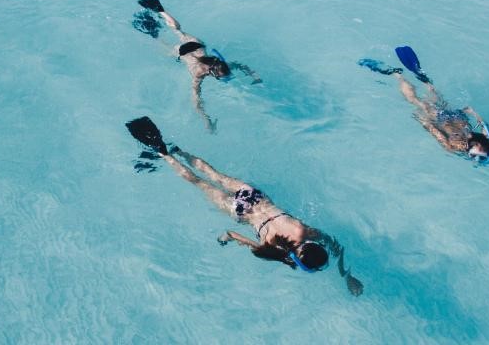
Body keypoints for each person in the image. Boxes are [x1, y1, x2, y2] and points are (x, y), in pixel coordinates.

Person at [125, 116, 364, 296]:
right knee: (197, 182)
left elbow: (335, 246)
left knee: (212, 174)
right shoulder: (272, 248)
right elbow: (231, 235)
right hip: (240, 212)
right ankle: (164, 154)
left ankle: (178, 150)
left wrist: (341, 269)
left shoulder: (303, 231)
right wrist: (347, 276)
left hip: (255, 197)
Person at [135, 0, 261, 132]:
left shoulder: (218, 63)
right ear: (211, 73)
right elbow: (196, 99)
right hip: (181, 53)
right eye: (218, 77)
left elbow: (240, 65)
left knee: (178, 31)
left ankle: (160, 11)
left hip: (197, 45)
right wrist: (206, 120)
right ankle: (152, 32)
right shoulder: (199, 73)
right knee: (162, 45)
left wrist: (255, 76)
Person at [359, 46, 489, 163]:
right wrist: (423, 121)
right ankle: (397, 75)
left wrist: (472, 112)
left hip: (456, 115)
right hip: (440, 118)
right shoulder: (452, 147)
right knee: (415, 101)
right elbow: (435, 132)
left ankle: (422, 79)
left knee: (432, 91)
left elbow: (483, 124)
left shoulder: (486, 139)